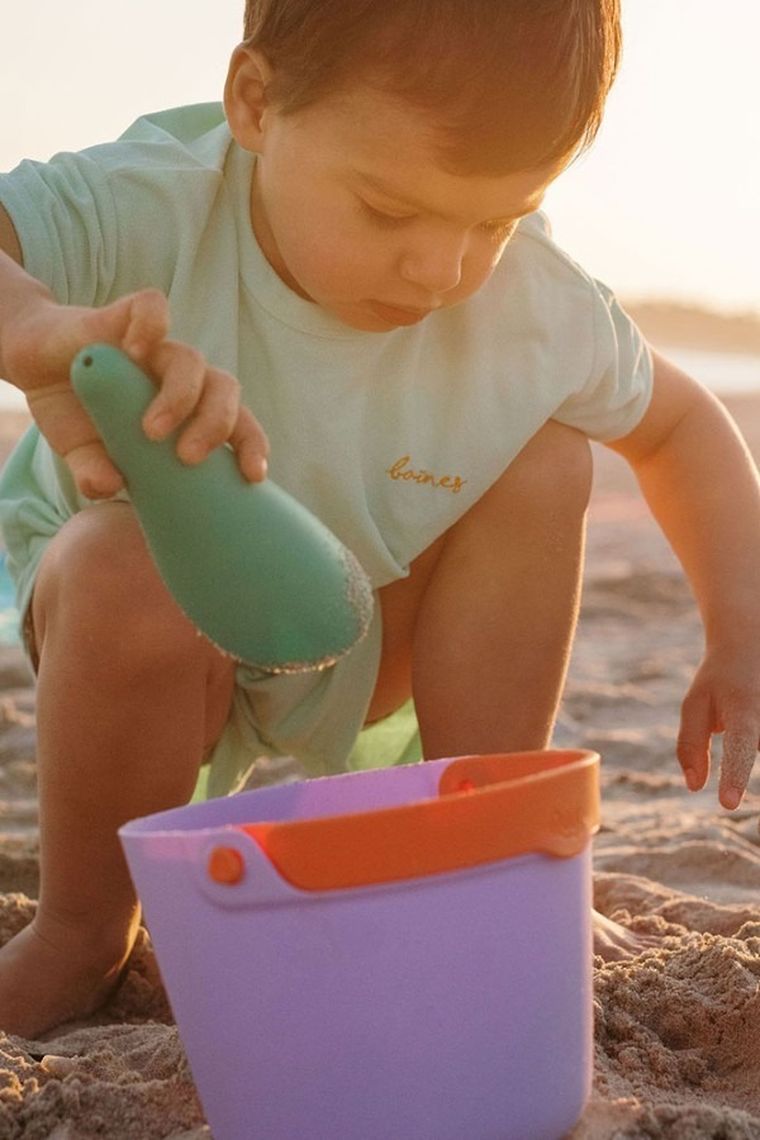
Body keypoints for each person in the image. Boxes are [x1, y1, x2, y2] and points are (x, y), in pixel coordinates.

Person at [0, 0, 759, 1039]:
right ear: (256, 102)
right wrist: (37, 325)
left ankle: (486, 852)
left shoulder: (531, 303)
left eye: (495, 219)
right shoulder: (149, 203)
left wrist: (739, 625)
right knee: (120, 560)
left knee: (546, 457)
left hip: (359, 629)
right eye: (389, 212)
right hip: (137, 633)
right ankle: (85, 927)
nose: (441, 270)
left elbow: (675, 427)